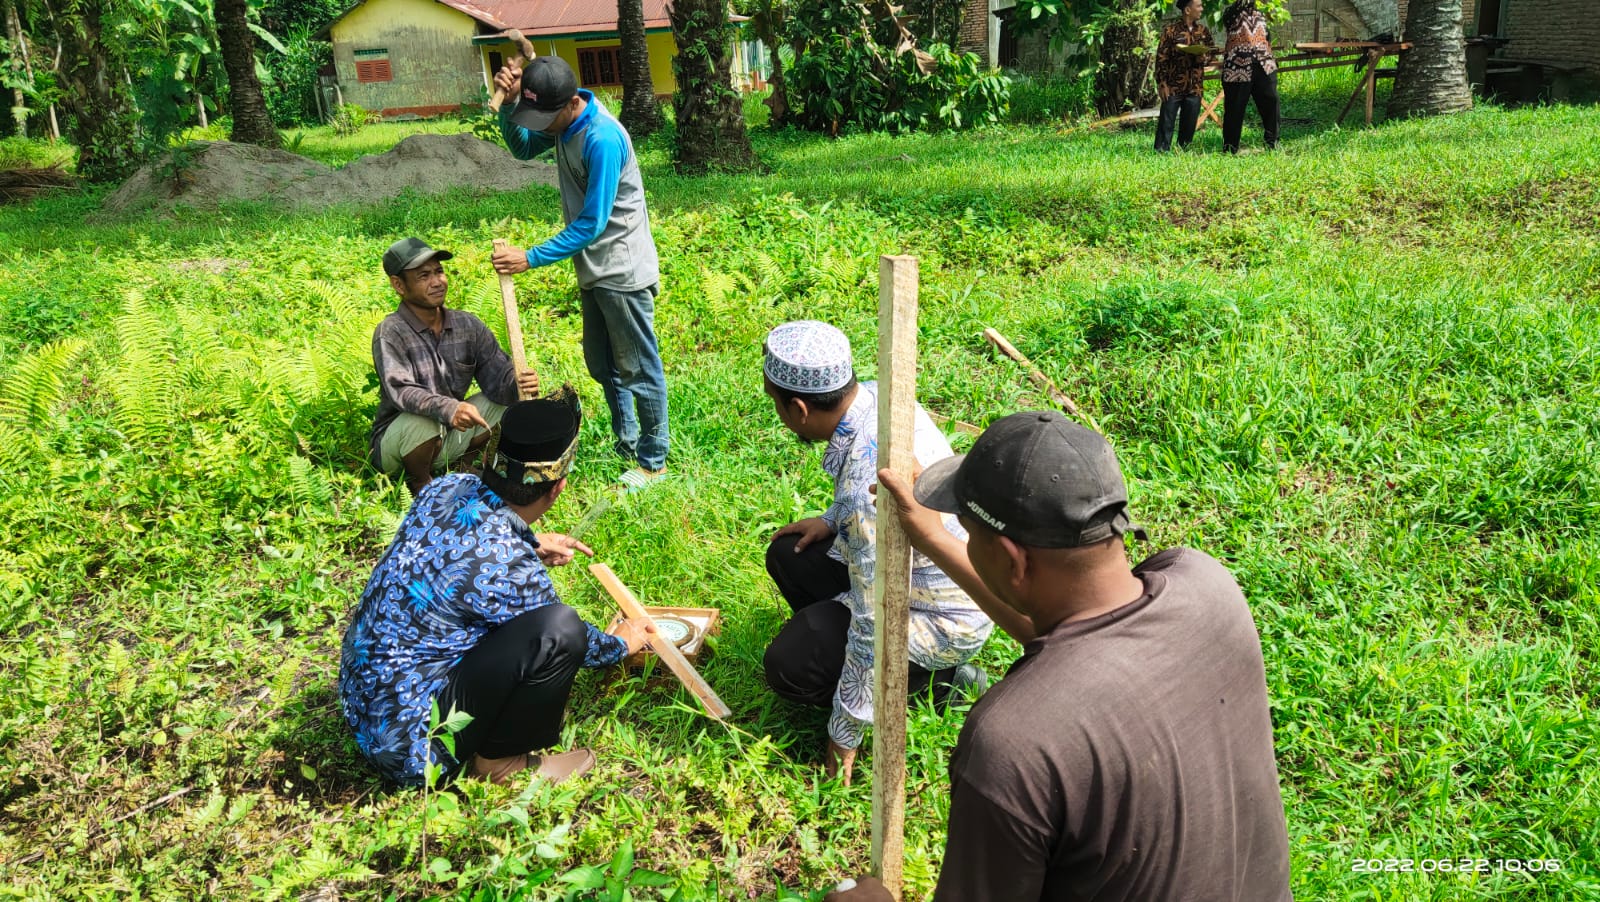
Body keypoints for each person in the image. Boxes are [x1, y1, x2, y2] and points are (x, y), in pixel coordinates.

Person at [829, 411, 1293, 900]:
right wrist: (937, 538)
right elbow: (1063, 632)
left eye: (965, 528)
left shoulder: (1013, 744)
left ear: (1013, 559)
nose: (957, 531)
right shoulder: (1206, 584)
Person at [340, 389, 655, 787]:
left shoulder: (444, 488)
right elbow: (579, 646)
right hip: (417, 750)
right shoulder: (512, 569)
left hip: (366, 708)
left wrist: (532, 541)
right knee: (560, 629)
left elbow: (454, 549)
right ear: (557, 487)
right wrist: (621, 644)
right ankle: (502, 764)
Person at [760, 320, 992, 786]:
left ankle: (941, 681)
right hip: (925, 575)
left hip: (939, 615)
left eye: (777, 404)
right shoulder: (879, 399)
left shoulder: (868, 500)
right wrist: (830, 519)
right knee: (790, 552)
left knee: (788, 664)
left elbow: (876, 621)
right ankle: (831, 641)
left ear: (800, 408)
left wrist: (846, 728)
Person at [490, 56, 669, 492]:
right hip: (594, 268)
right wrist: (507, 106)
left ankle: (654, 462)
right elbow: (522, 147)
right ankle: (626, 441)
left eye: (545, 117)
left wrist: (529, 257)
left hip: (621, 269)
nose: (542, 126)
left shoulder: (602, 138)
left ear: (573, 102)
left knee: (638, 368)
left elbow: (592, 223)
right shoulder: (563, 124)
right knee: (601, 363)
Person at [370, 236, 540, 496]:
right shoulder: (391, 332)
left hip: (448, 436)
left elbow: (498, 376)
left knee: (501, 403)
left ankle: (463, 464)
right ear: (399, 285)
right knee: (423, 420)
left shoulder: (467, 326)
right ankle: (420, 483)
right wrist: (449, 407)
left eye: (439, 271)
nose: (437, 281)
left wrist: (518, 383)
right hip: (399, 446)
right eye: (424, 276)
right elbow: (401, 392)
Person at [1153, 0, 1215, 152]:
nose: (1201, 8)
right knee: (1166, 121)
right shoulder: (1170, 31)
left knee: (1189, 122)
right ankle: (1161, 151)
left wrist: (1204, 58)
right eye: (1198, 6)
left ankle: (1183, 150)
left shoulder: (1203, 31)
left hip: (1195, 86)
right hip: (1173, 85)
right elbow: (1161, 58)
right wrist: (1162, 83)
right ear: (1188, 10)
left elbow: (1212, 54)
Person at [1221, 0, 1280, 153]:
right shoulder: (1231, 12)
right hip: (1238, 64)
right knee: (1235, 107)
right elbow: (1229, 19)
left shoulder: (1263, 12)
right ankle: (1230, 148)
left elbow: (1267, 36)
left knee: (1271, 101)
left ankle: (1273, 143)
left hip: (1263, 62)